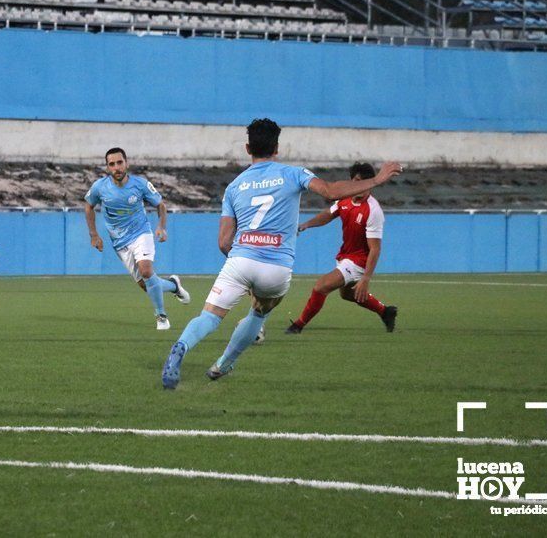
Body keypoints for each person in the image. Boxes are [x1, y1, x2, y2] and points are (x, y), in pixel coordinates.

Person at [161, 119, 401, 389]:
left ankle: (180, 347)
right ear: (277, 147)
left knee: (209, 316)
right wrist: (378, 179)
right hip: (276, 268)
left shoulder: (234, 186)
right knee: (259, 313)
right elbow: (331, 192)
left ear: (247, 147)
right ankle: (223, 364)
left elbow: (224, 241)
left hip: (239, 260)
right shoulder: (294, 173)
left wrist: (241, 262)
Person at [84, 147, 190, 330]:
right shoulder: (99, 187)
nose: (116, 167)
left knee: (147, 271)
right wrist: (94, 235)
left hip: (141, 233)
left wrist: (161, 227)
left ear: (126, 163)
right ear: (107, 167)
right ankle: (173, 286)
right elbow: (88, 206)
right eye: (112, 164)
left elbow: (160, 205)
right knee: (146, 284)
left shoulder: (140, 184)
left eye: (119, 162)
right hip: (120, 243)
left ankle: (161, 316)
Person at [287, 163, 397, 334]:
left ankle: (298, 326)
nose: (357, 186)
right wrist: (306, 225)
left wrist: (365, 279)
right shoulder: (345, 199)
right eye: (355, 181)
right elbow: (328, 215)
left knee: (321, 286)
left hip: (359, 261)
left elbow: (375, 249)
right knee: (347, 294)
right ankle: (386, 311)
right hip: (346, 255)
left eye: (362, 181)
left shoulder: (373, 210)